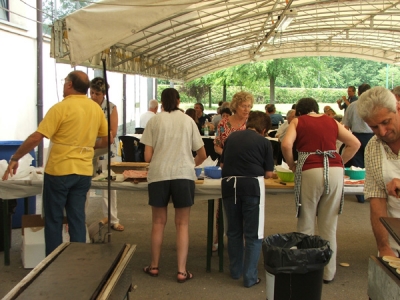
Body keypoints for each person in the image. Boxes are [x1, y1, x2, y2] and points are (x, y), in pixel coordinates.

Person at [2, 71, 109, 255]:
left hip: (59, 171)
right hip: (83, 172)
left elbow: (37, 137)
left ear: (69, 85)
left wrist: (15, 158)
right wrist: (87, 145)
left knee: (54, 219)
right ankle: (78, 261)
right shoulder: (96, 109)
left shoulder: (60, 108)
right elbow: (106, 140)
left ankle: (53, 265)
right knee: (77, 218)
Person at [281, 97, 360, 283]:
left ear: (299, 112)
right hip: (335, 171)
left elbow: (286, 144)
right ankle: (328, 272)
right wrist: (340, 161)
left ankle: (305, 269)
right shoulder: (331, 120)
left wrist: (292, 164)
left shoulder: (298, 121)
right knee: (329, 225)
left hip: (310, 170)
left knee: (306, 222)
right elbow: (355, 143)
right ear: (316, 109)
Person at [140, 88, 207, 283]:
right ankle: (181, 271)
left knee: (158, 223)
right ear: (178, 101)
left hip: (158, 174)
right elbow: (202, 154)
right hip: (183, 175)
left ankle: (153, 266)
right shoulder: (188, 121)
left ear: (161, 103)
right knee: (182, 224)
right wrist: (188, 163)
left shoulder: (154, 121)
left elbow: (147, 157)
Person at [221, 111, 274, 288]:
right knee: (253, 234)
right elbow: (268, 173)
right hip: (252, 186)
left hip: (229, 186)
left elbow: (222, 164)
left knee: (234, 231)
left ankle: (235, 271)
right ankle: (250, 277)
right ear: (264, 129)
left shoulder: (232, 137)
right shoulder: (264, 142)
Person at [357, 87, 400, 257]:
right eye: (374, 127)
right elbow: (377, 201)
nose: (382, 132)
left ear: (398, 108)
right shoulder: (373, 148)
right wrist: (384, 247)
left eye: (386, 122)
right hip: (395, 237)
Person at [213, 91, 253, 251]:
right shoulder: (223, 123)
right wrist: (228, 154)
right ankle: (217, 237)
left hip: (247, 169)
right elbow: (216, 145)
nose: (247, 109)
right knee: (221, 204)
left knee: (245, 205)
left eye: (249, 106)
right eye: (244, 106)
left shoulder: (251, 124)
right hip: (228, 167)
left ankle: (242, 239)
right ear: (236, 106)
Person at [89, 77, 124, 231]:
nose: (93, 96)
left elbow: (113, 132)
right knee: (83, 183)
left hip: (105, 150)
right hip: (88, 149)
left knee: (108, 184)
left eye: (97, 93)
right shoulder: (86, 106)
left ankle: (113, 219)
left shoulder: (111, 108)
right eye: (91, 92)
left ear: (104, 94)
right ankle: (78, 219)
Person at [342, 83, 373, 203]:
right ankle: (372, 193)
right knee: (371, 165)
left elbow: (346, 126)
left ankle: (360, 194)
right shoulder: (374, 105)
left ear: (358, 93)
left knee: (357, 166)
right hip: (372, 136)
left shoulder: (352, 106)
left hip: (355, 136)